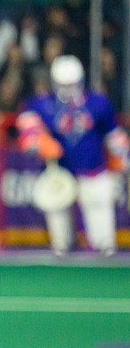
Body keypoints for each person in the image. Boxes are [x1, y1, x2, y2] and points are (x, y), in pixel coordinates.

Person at [17, 55, 129, 255]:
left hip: (93, 168)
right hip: (59, 171)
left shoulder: (99, 102)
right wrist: (39, 142)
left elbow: (114, 136)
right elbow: (27, 132)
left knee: (100, 210)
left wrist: (123, 161)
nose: (68, 90)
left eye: (73, 84)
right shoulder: (41, 104)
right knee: (58, 217)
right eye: (64, 84)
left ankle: (104, 245)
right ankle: (62, 245)